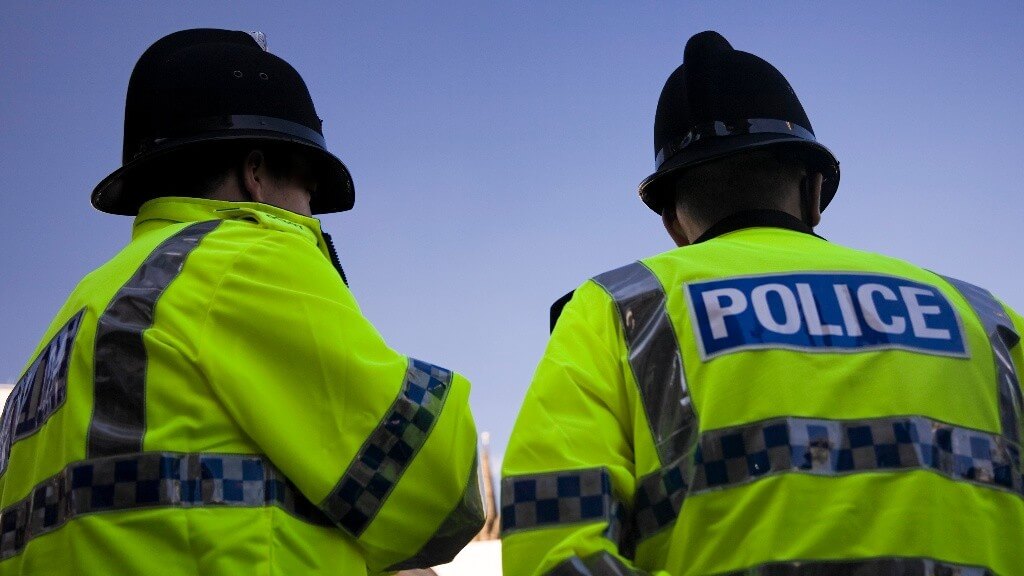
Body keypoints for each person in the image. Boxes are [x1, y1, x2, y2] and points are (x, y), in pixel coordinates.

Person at [501, 30, 1024, 575]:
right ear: (815, 191)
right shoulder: (988, 321)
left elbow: (553, 546)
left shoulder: (620, 309)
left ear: (673, 222)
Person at [0, 29, 483, 575]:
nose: (310, 215)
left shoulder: (70, 328)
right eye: (308, 189)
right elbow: (438, 489)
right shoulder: (241, 258)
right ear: (256, 173)